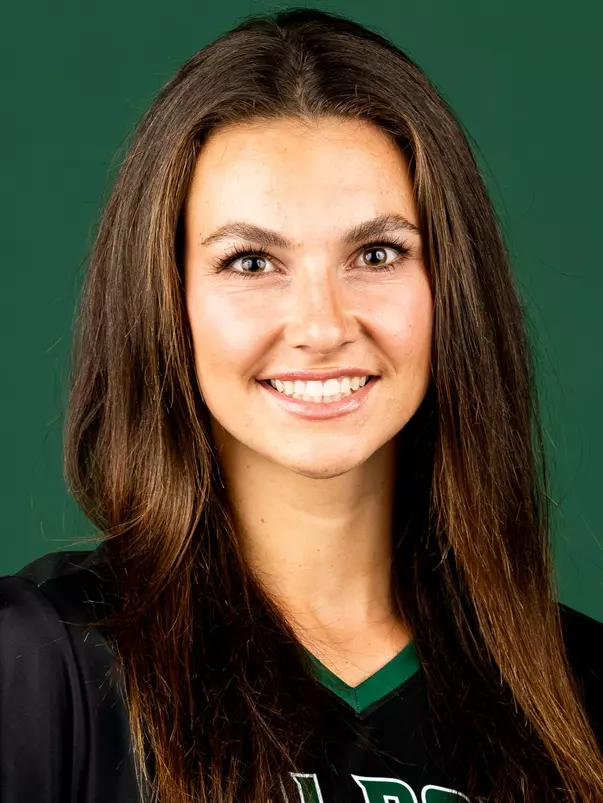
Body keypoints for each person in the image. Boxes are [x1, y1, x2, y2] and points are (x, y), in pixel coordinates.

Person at [0, 7, 601, 803]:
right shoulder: (41, 662)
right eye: (250, 261)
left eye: (377, 253)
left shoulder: (576, 688)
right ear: (164, 301)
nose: (321, 325)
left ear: (453, 289)